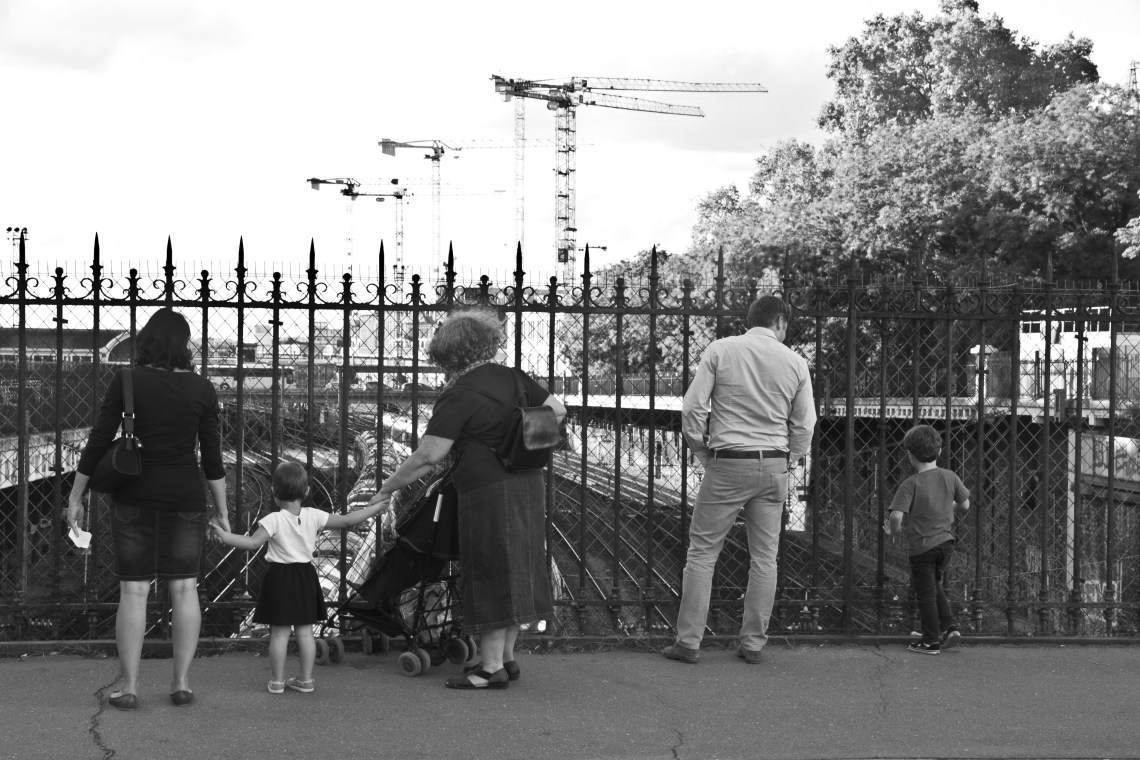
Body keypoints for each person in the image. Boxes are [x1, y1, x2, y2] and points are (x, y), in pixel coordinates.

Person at [366, 308, 567, 690]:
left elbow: (428, 456)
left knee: (491, 568)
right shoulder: (514, 377)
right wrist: (517, 440)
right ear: (486, 343)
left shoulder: (458, 394)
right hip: (526, 484)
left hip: (486, 491)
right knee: (517, 565)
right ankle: (506, 659)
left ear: (449, 354)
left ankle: (489, 669)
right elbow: (558, 410)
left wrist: (387, 487)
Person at [67, 309, 229, 710]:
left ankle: (131, 686)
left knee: (134, 591)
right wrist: (222, 511)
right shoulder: (203, 389)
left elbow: (99, 440)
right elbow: (212, 458)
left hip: (134, 497)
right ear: (184, 344)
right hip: (186, 499)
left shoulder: (127, 381)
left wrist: (76, 495)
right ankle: (181, 682)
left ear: (147, 340)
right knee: (185, 589)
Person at [664, 295, 816, 665]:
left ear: (750, 320)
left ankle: (688, 643)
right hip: (772, 467)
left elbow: (693, 408)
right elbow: (805, 424)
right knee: (765, 558)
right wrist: (788, 459)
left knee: (702, 553)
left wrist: (703, 451)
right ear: (779, 322)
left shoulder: (721, 350)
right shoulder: (796, 363)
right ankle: (752, 644)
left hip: (728, 464)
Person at [210, 461, 391, 693]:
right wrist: (375, 510)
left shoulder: (273, 520)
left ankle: (277, 681)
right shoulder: (314, 516)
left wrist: (224, 536)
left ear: (274, 492)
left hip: (279, 577)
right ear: (306, 492)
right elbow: (347, 521)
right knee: (305, 632)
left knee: (279, 633)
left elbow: (252, 544)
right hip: (306, 576)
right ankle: (305, 680)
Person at [883, 424, 970, 655]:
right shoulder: (950, 476)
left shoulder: (910, 484)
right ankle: (949, 626)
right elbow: (965, 504)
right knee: (935, 585)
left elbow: (896, 515)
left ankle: (930, 641)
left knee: (925, 594)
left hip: (922, 548)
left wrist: (894, 531)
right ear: (939, 451)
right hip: (946, 545)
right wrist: (946, 506)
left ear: (910, 455)